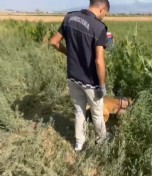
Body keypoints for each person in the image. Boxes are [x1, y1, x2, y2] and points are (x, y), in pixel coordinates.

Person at [49, 0, 110, 151]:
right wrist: (102, 85)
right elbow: (99, 61)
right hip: (90, 81)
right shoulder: (99, 27)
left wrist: (68, 52)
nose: (104, 17)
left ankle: (79, 143)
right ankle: (101, 141)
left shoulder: (69, 18)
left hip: (73, 76)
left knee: (79, 110)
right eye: (105, 14)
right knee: (97, 113)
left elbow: (54, 42)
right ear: (102, 9)